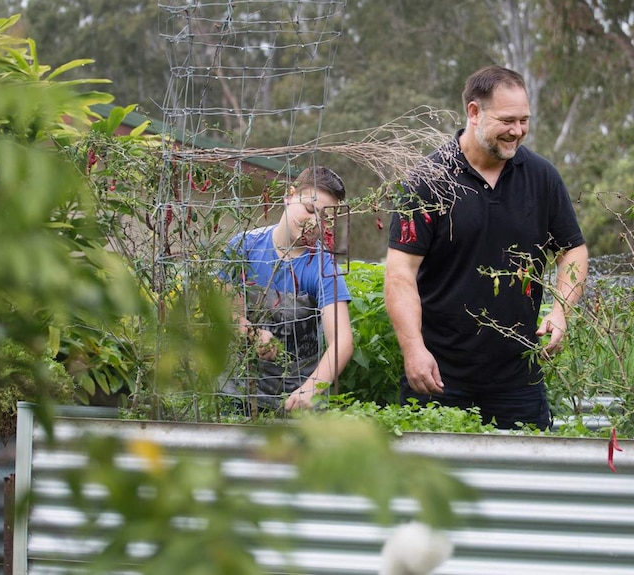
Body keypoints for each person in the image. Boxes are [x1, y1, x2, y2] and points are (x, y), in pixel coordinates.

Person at [384, 65, 589, 430]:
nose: (518, 131)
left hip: (517, 377)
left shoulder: (542, 178)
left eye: (524, 120)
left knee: (521, 482)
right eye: (507, 120)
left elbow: (572, 250)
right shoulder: (429, 179)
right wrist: (413, 349)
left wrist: (560, 312)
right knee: (431, 484)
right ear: (474, 112)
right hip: (437, 373)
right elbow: (401, 274)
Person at [221, 166, 353, 413]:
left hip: (294, 402)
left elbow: (342, 341)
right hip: (237, 395)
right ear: (289, 196)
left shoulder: (322, 265)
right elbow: (224, 312)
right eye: (310, 209)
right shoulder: (243, 248)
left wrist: (311, 388)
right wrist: (251, 334)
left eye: (325, 218)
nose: (314, 222)